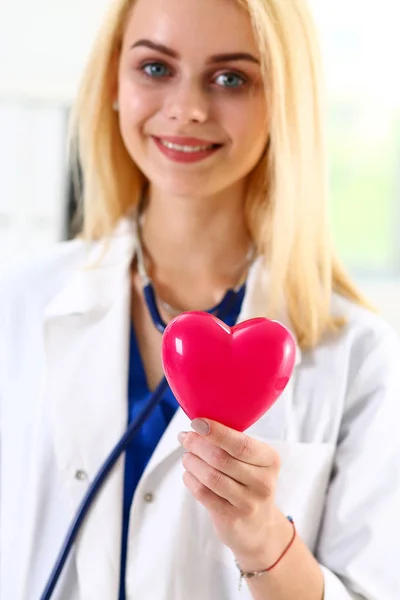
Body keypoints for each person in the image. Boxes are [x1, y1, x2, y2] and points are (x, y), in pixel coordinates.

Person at [1, 0, 399, 598]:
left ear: (283, 100)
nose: (186, 109)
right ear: (114, 80)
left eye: (231, 78)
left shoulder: (361, 355)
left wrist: (264, 538)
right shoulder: (20, 301)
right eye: (155, 69)